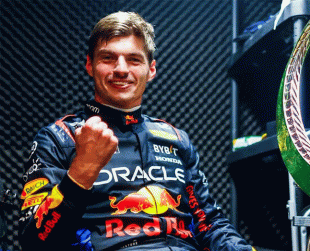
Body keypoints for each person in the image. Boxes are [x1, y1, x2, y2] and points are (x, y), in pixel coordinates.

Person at [19, 11, 256, 251]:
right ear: (90, 65)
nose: (121, 69)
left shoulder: (176, 138)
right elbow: (33, 242)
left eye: (134, 60)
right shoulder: (59, 137)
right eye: (108, 58)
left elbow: (210, 223)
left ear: (151, 70)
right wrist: (81, 172)